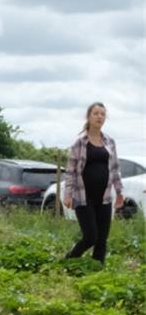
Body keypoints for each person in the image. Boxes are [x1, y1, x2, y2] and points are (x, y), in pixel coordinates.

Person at [63, 102, 123, 264]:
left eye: (102, 114)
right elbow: (70, 171)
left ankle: (97, 271)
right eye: (96, 113)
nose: (99, 117)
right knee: (90, 237)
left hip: (104, 198)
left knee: (102, 240)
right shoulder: (80, 143)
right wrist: (68, 194)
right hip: (83, 197)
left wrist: (119, 192)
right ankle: (69, 260)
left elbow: (115, 169)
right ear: (89, 117)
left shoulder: (110, 142)